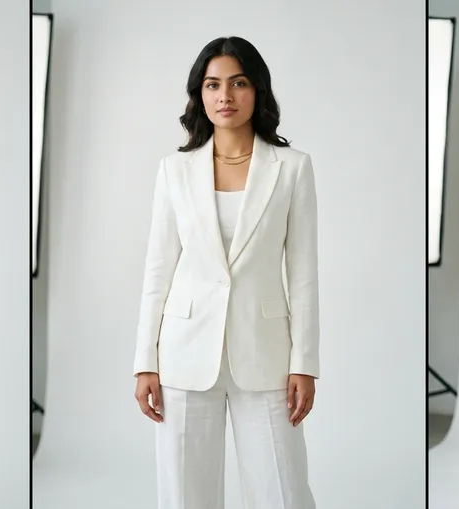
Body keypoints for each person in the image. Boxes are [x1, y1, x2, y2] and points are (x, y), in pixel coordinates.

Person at [131, 36, 320, 509]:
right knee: (184, 495)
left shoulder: (292, 169)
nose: (225, 96)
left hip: (267, 355)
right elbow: (158, 269)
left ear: (257, 90)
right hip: (183, 353)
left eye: (237, 83)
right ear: (200, 94)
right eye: (213, 85)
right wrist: (145, 362)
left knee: (283, 491)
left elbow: (303, 274)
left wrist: (305, 363)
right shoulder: (174, 171)